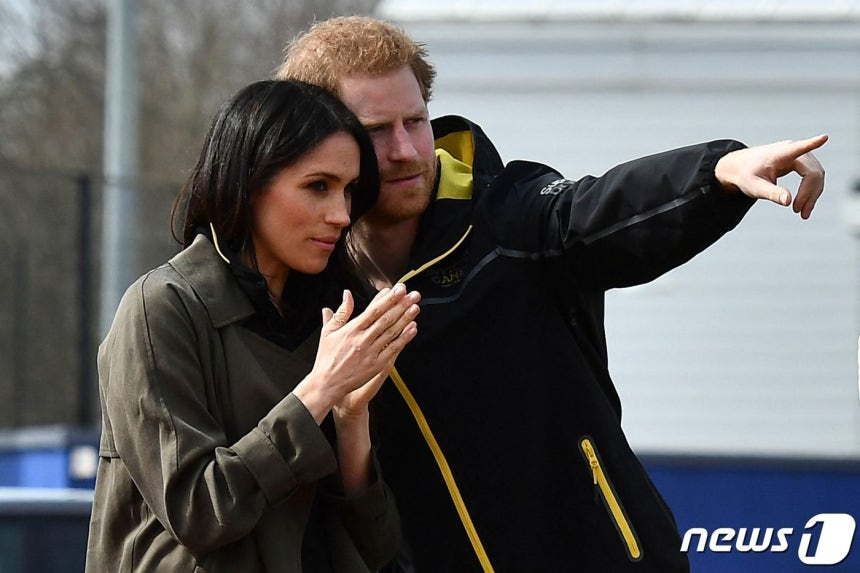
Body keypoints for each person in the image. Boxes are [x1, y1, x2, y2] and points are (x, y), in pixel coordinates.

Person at [277, 16, 827, 573]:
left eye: (415, 120)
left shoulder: (508, 216)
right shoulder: (306, 281)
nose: (405, 149)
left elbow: (598, 210)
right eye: (375, 130)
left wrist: (717, 172)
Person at [85, 79, 422, 573]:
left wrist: (351, 422)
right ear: (247, 183)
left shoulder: (339, 318)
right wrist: (320, 391)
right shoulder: (162, 309)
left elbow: (379, 547)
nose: (340, 214)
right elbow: (200, 512)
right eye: (318, 186)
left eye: (349, 191)